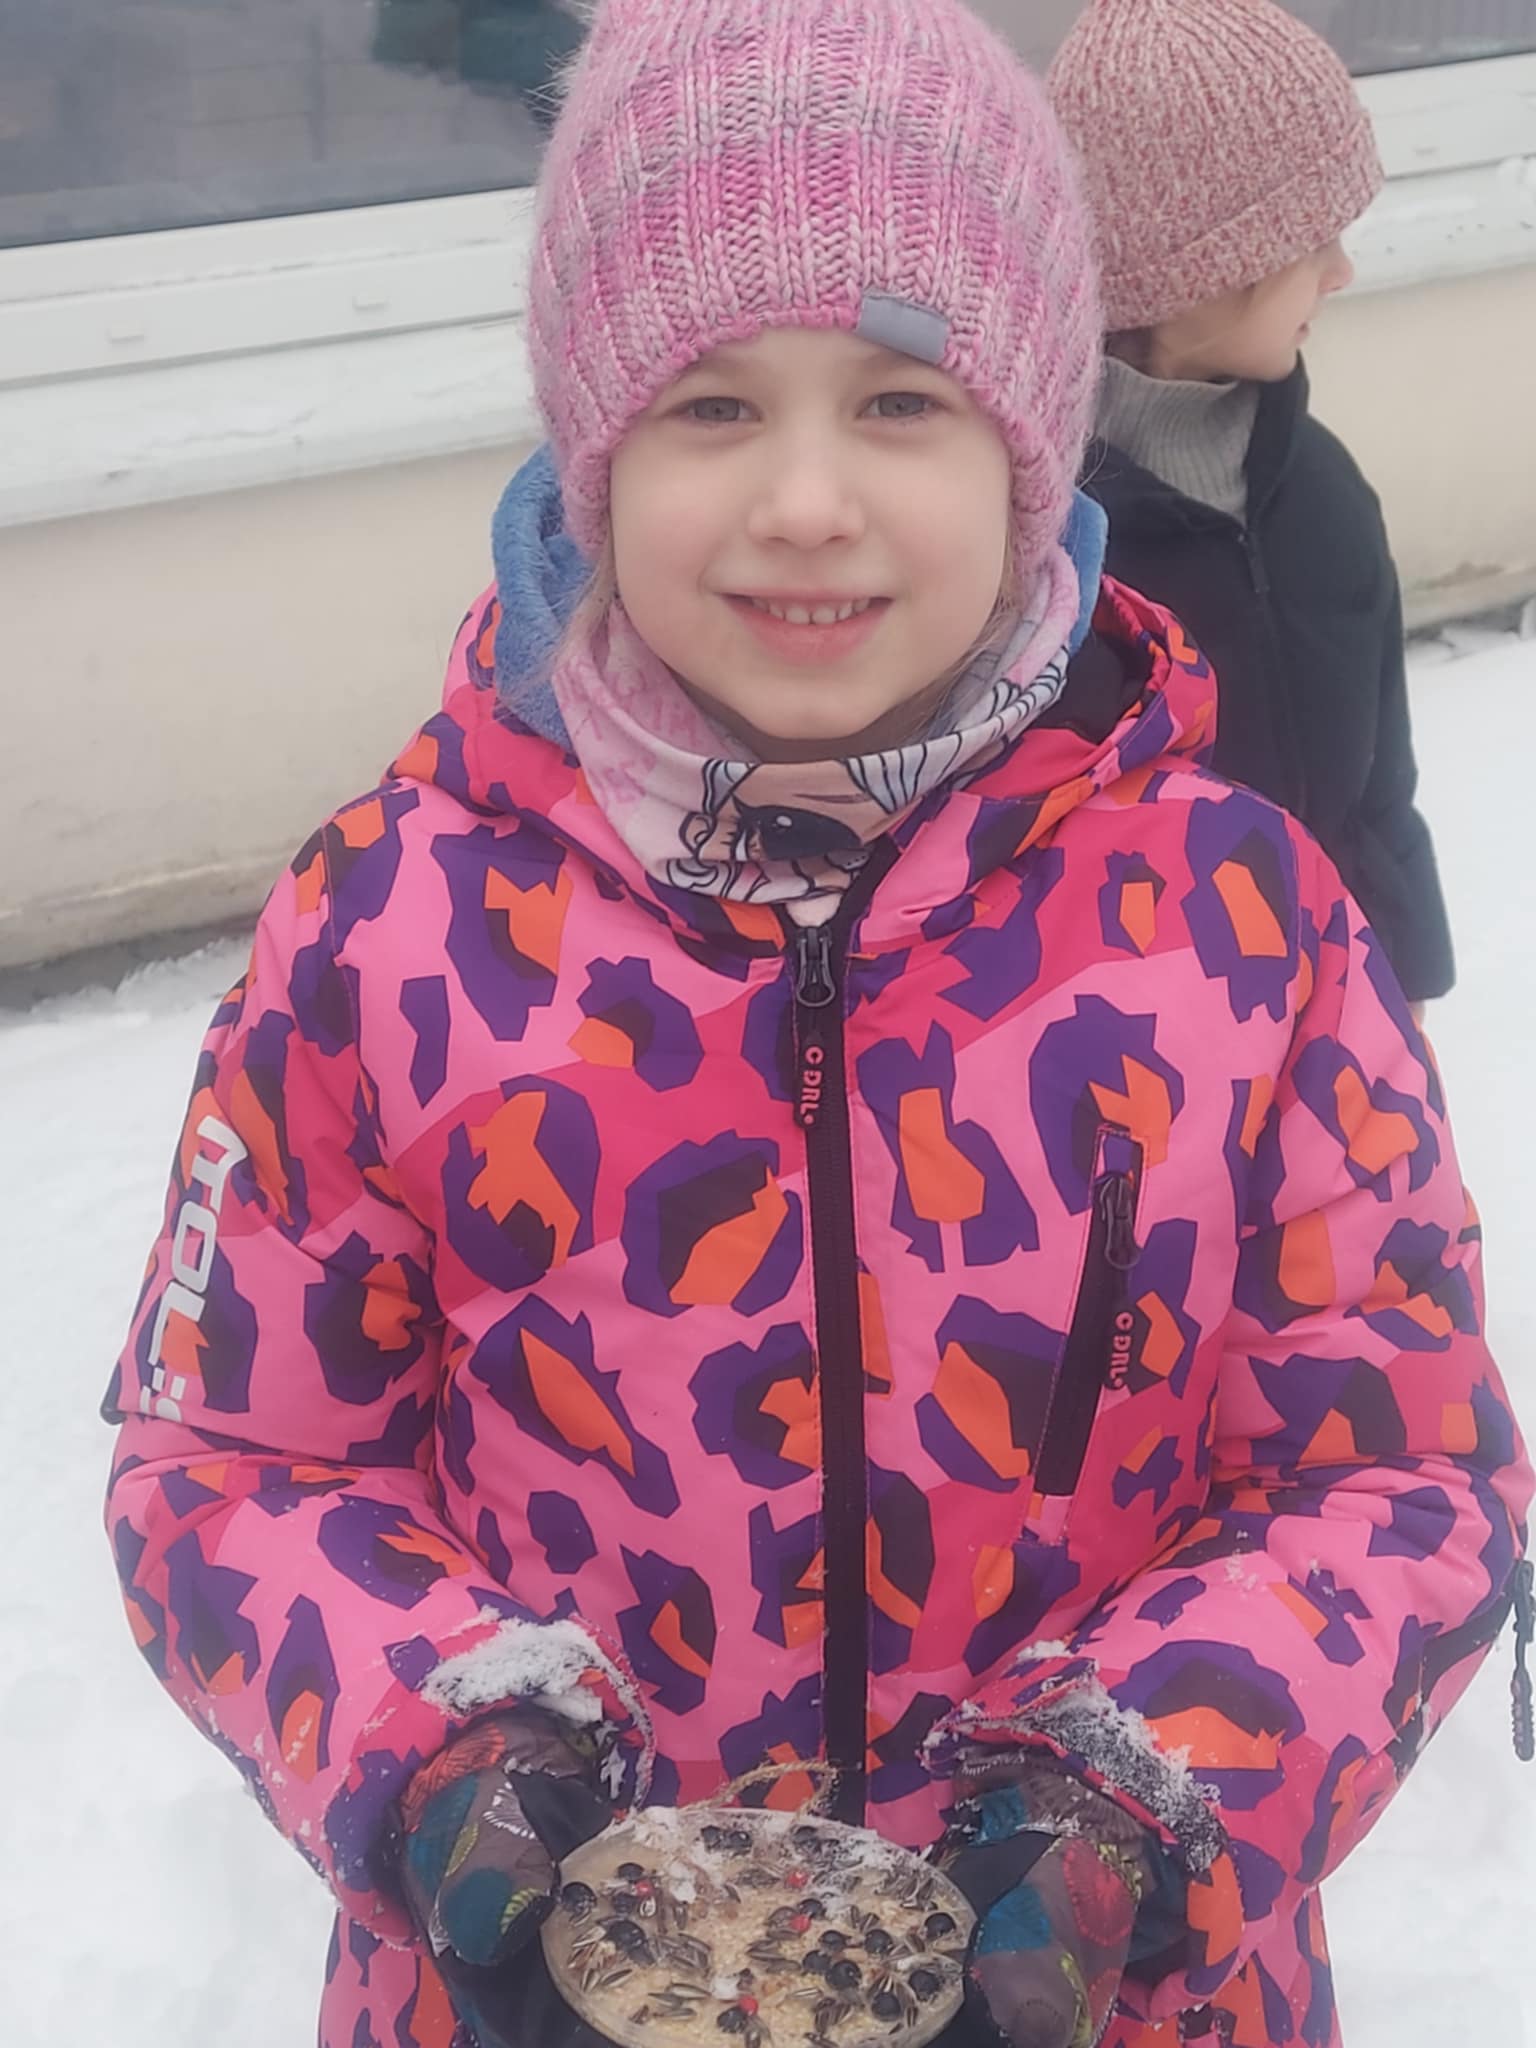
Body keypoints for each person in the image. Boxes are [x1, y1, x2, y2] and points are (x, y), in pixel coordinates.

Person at [103, 2, 1531, 2046]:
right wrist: (443, 1760)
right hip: (549, 1989)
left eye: (899, 400)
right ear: (592, 446)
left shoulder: (1246, 932)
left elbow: (1398, 1472)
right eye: (708, 403)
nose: (802, 498)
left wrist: (1138, 1805)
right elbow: (234, 1456)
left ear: (1030, 451)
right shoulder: (387, 934)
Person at [1047, 0, 1455, 1012]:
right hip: (1150, 1040)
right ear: (1196, 268)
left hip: (1341, 1006)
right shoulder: (1051, 545)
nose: (1343, 271)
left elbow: (1381, 785)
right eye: (1313, 241)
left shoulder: (1322, 487)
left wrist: (1407, 985)